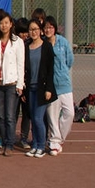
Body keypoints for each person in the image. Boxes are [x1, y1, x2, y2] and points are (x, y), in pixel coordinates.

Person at [0, 12, 25, 157]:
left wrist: (20, 84)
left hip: (12, 83)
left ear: (11, 24)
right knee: (1, 116)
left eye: (6, 23)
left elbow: (21, 64)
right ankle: (4, 142)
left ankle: (10, 144)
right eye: (1, 23)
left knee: (10, 116)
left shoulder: (18, 41)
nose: (4, 26)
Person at [23, 20, 57, 158]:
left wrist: (49, 89)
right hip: (30, 88)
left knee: (38, 118)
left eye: (36, 29)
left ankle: (41, 146)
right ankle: (35, 145)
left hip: (42, 89)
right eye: (31, 29)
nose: (33, 32)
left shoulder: (46, 46)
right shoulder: (26, 47)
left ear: (40, 30)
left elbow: (50, 70)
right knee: (33, 118)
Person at [44, 16, 74, 156]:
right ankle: (54, 143)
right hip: (51, 86)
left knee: (69, 113)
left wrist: (62, 72)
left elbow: (70, 60)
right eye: (46, 27)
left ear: (55, 28)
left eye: (50, 27)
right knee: (53, 116)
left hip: (64, 84)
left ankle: (59, 139)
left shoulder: (63, 42)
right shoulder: (43, 44)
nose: (48, 30)